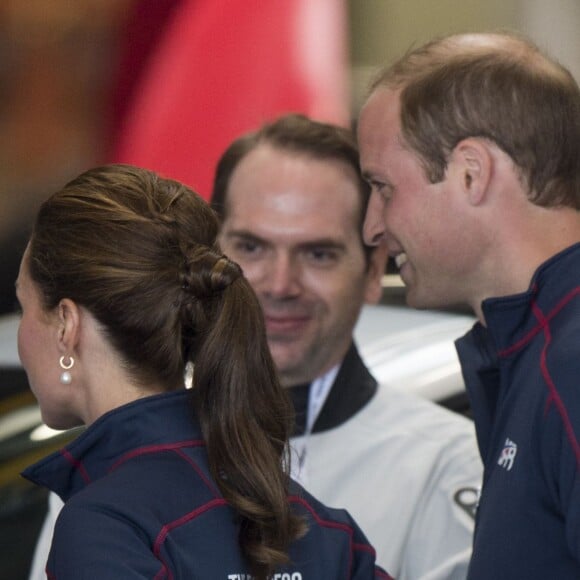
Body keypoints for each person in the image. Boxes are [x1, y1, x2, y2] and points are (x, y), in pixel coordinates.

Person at [18, 164, 387, 579]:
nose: (22, 332)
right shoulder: (315, 525)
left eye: (25, 306)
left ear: (67, 325)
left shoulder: (105, 528)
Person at [211, 114, 483, 579]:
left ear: (374, 272)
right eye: (252, 247)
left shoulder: (447, 466)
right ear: (211, 254)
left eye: (318, 254)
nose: (280, 284)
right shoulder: (128, 453)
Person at [358, 32, 580, 579]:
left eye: (384, 188)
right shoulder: (534, 351)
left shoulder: (570, 366)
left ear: (470, 173)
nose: (372, 227)